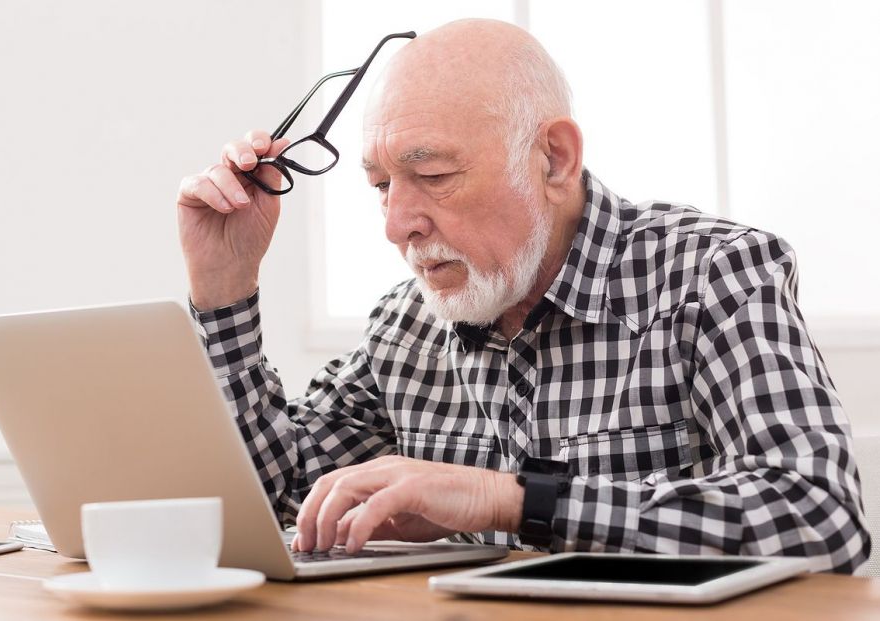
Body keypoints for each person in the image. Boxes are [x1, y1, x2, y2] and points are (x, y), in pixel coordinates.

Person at [174, 19, 869, 573]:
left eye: (435, 174)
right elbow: (275, 497)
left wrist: (504, 498)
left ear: (554, 159)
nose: (396, 226)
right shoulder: (404, 323)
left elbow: (820, 514)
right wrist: (225, 288)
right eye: (382, 186)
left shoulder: (712, 272)